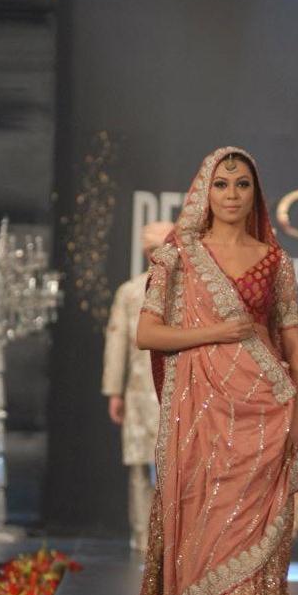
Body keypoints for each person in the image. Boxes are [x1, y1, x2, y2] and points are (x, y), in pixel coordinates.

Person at [119, 146, 298, 595]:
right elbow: (147, 334)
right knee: (203, 543)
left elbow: (293, 343)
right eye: (222, 184)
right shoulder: (178, 257)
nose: (233, 194)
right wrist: (216, 331)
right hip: (200, 423)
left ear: (255, 194)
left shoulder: (275, 260)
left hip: (265, 415)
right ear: (204, 192)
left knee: (251, 546)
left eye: (242, 184)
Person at [102, 222, 171, 551]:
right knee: (140, 466)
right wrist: (114, 391)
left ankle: (174, 536)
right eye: (151, 249)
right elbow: (117, 343)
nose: (156, 254)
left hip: (176, 388)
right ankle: (143, 535)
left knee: (176, 464)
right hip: (140, 389)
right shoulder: (131, 292)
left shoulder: (187, 289)